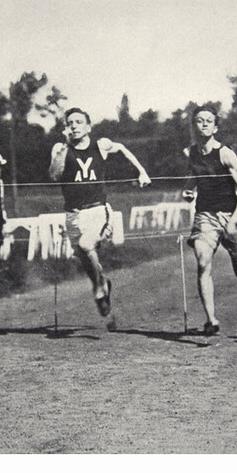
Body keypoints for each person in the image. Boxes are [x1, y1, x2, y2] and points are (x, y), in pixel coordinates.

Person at [49, 107, 151, 320]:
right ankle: (102, 283)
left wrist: (141, 171)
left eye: (79, 122)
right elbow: (55, 174)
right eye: (70, 123)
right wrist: (64, 147)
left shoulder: (100, 145)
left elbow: (122, 148)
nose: (74, 126)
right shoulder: (60, 148)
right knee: (85, 258)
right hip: (72, 214)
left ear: (88, 127)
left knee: (87, 244)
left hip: (98, 211)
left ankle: (98, 288)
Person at [181, 104, 237, 336]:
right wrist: (188, 190)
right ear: (194, 126)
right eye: (199, 120)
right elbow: (195, 176)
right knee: (203, 262)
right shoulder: (190, 153)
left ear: (215, 127)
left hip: (230, 215)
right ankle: (211, 320)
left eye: (208, 121)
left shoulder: (225, 154)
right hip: (205, 215)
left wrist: (233, 221)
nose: (204, 124)